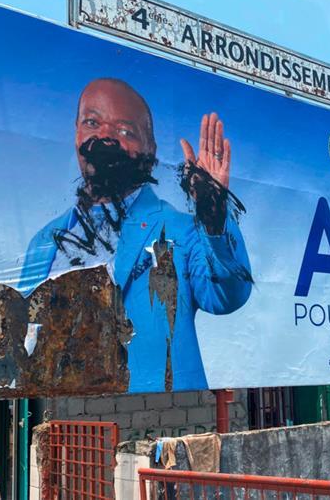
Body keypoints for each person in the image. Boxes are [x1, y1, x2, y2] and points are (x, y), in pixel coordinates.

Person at [18, 78, 252, 392]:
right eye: (92, 122)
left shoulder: (180, 229)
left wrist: (213, 211)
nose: (104, 137)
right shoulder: (44, 242)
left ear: (150, 150)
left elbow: (228, 296)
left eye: (125, 130)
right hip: (70, 425)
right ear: (76, 132)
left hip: (158, 423)